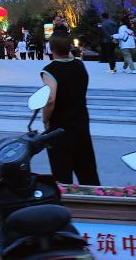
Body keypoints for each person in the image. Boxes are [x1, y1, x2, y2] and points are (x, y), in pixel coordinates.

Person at [40, 33, 100, 185]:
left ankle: (65, 199)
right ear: (70, 47)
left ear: (51, 49)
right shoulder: (79, 65)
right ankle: (94, 198)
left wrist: (45, 119)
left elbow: (50, 99)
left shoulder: (50, 70)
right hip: (81, 124)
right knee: (88, 173)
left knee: (62, 175)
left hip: (59, 128)